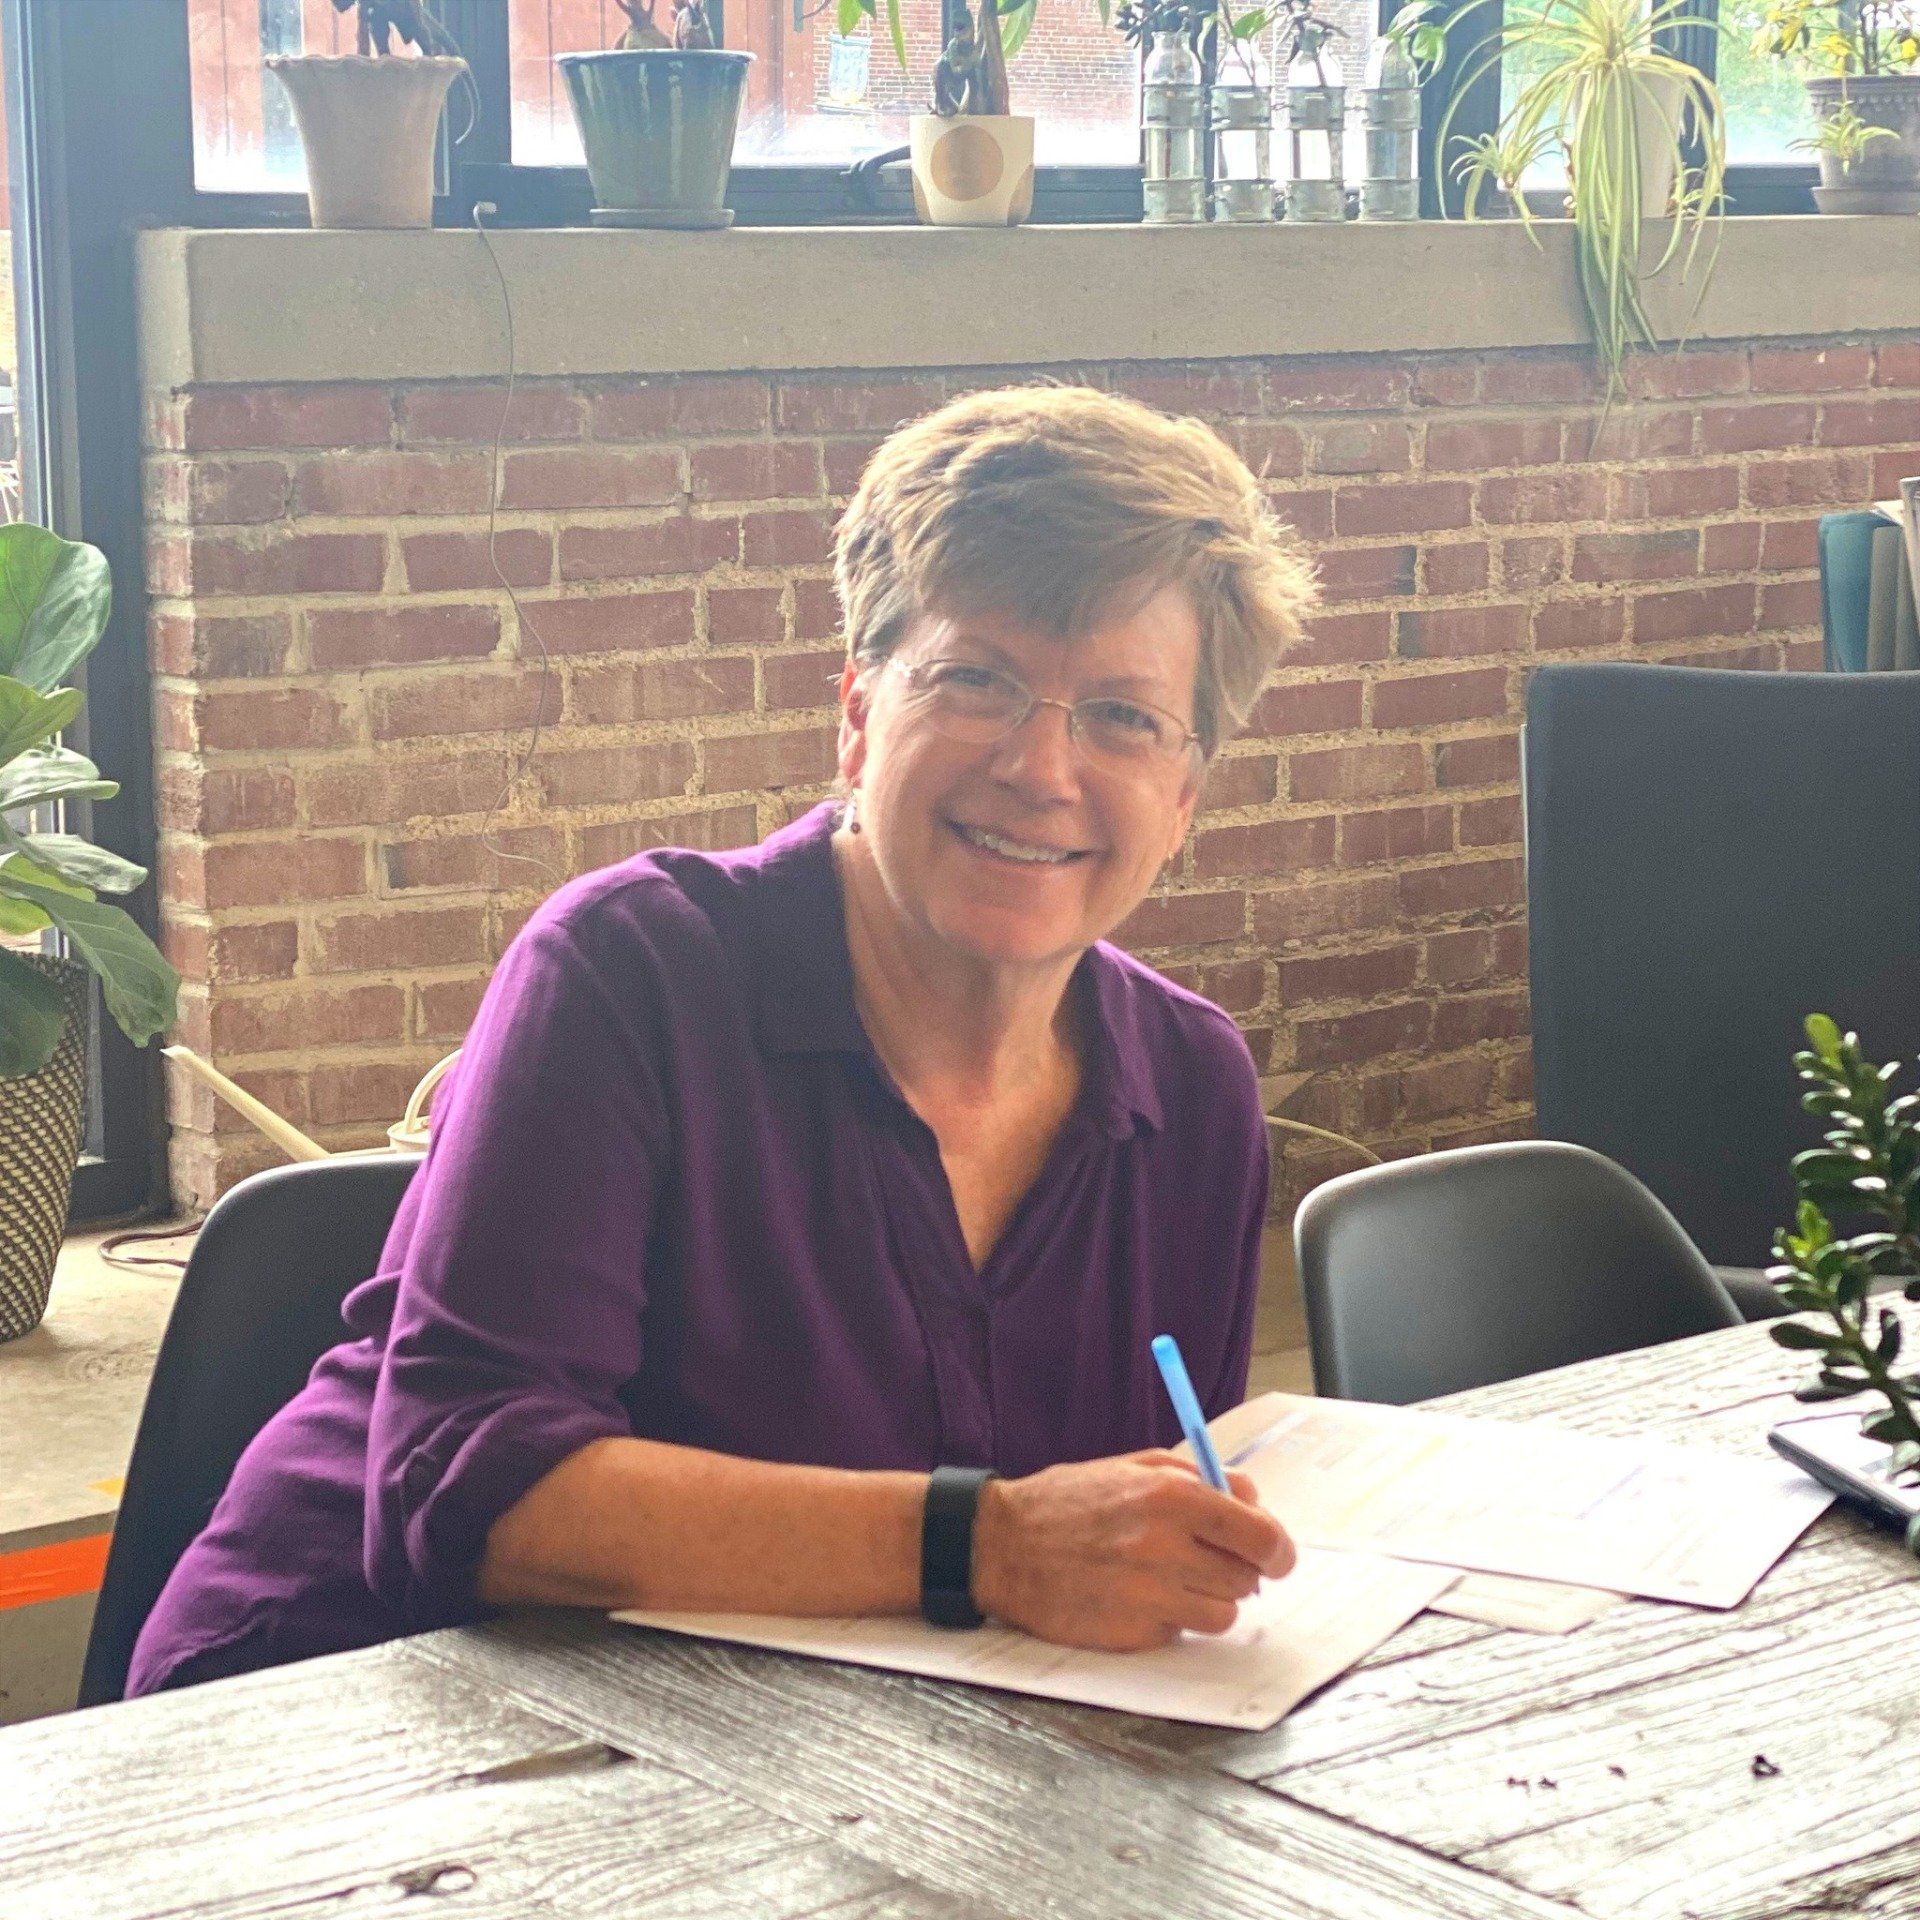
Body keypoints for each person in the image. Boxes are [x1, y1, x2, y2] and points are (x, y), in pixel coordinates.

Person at [127, 384, 1320, 1695]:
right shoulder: (628, 973)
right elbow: (463, 1487)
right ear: (860, 712)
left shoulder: (1191, 1098)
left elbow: (1122, 1552)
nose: (1042, 767)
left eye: (1122, 716)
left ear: (1187, 794)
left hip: (807, 1748)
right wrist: (993, 1549)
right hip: (341, 1722)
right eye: (977, 680)